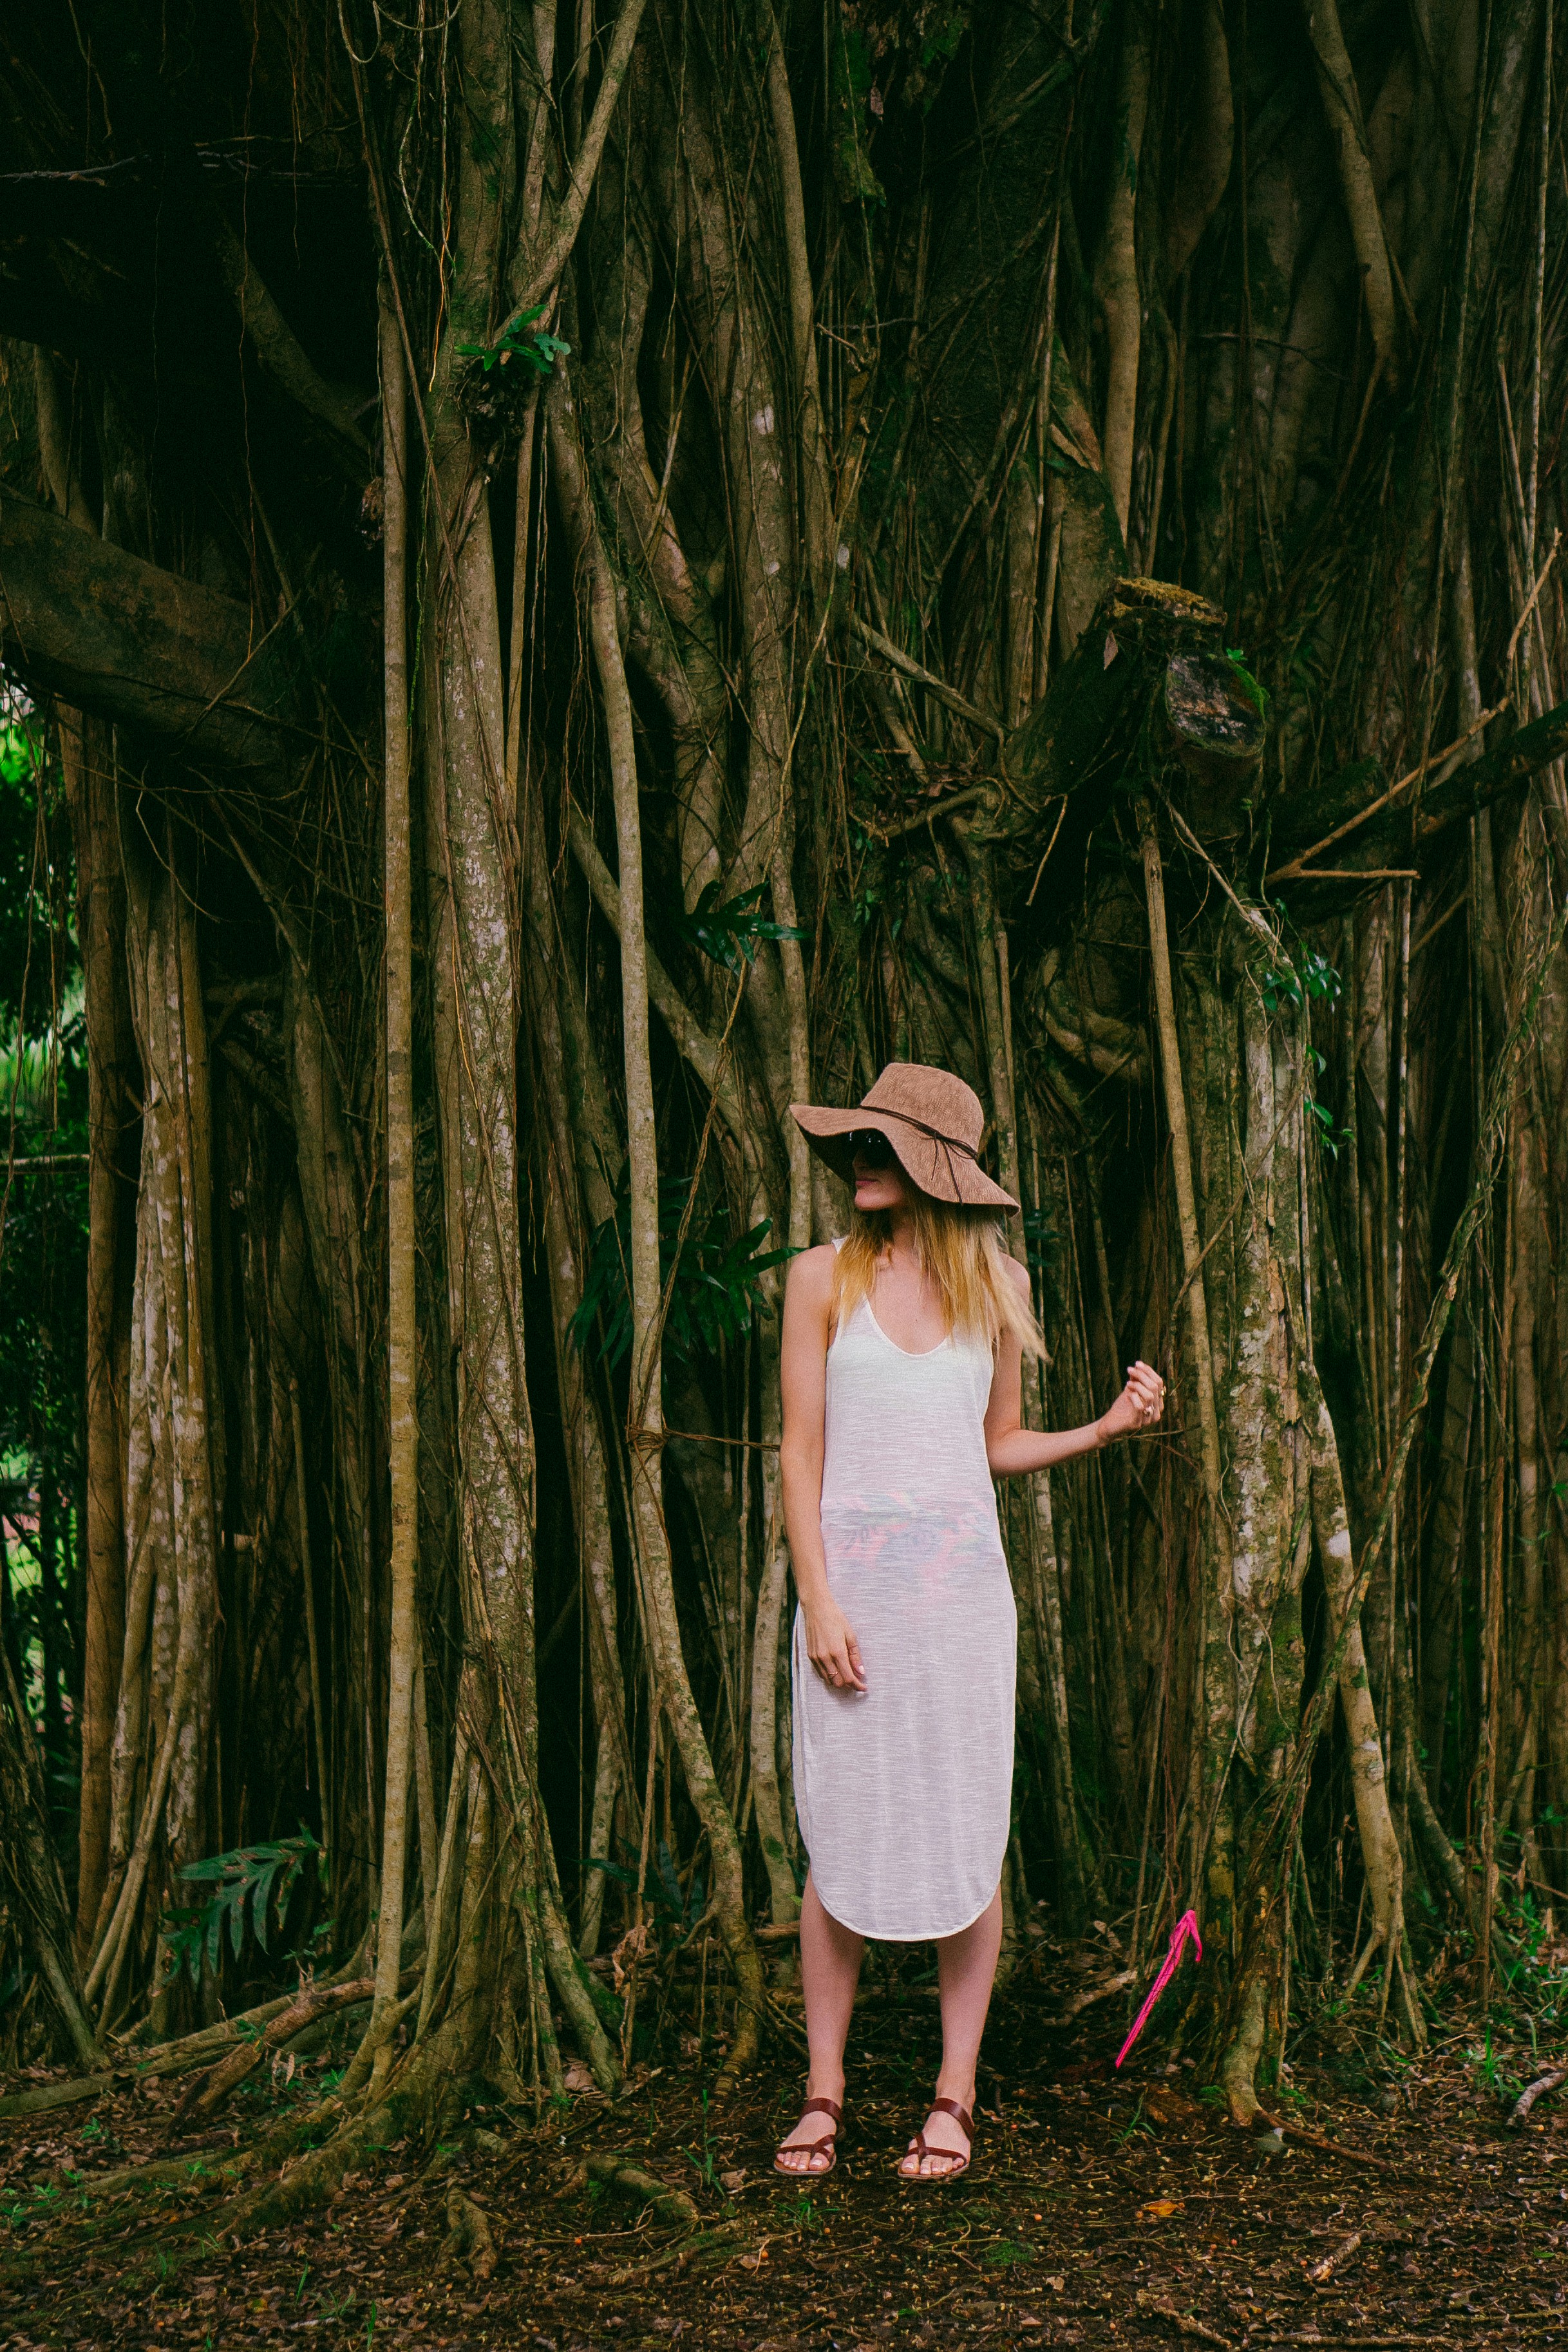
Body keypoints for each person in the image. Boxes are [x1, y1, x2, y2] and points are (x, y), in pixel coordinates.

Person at [773, 1063, 1164, 2182]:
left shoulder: (1001, 1283)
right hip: (851, 1603)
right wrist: (817, 1596)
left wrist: (1100, 1430)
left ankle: (954, 2093)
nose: (860, 1159)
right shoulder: (818, 1280)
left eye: (883, 1147)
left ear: (934, 1170)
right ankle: (825, 2090)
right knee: (837, 1834)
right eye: (857, 1142)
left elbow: (994, 1447)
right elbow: (802, 1454)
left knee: (964, 1832)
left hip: (958, 1609)